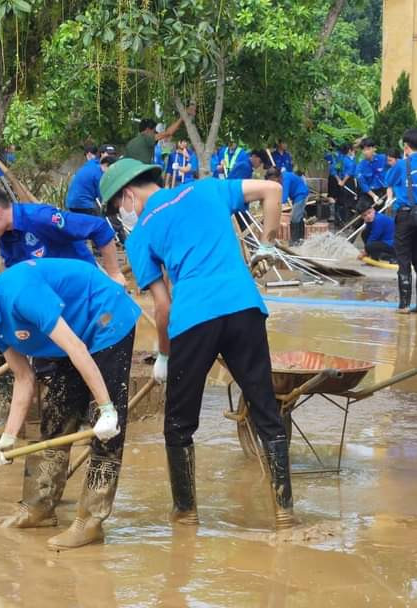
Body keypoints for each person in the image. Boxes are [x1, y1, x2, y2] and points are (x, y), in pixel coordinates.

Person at [98, 157, 297, 530]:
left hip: (193, 320)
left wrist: (163, 355)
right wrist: (267, 244)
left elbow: (162, 307)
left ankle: (186, 514)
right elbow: (273, 191)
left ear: (128, 195)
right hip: (244, 308)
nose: (123, 215)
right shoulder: (207, 188)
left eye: (118, 208)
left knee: (178, 424)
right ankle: (284, 510)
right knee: (266, 412)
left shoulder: (141, 234)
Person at [0, 258, 140, 549]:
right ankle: (38, 507)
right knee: (57, 417)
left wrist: (108, 410)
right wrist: (7, 438)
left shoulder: (20, 295)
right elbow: (24, 378)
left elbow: (76, 347)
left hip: (105, 319)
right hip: (73, 335)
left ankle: (91, 522)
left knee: (106, 431)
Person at [0, 180, 126, 284]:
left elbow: (99, 227)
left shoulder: (41, 218)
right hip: (55, 299)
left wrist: (114, 273)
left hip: (85, 287)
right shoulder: (4, 235)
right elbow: (17, 272)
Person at [385, 128, 417, 313]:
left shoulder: (400, 165)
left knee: (403, 258)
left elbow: (388, 180)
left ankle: (404, 304)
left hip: (405, 215)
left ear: (406, 147)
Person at [122, 107, 193, 163]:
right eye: (154, 131)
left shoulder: (131, 143)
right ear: (147, 130)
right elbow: (168, 133)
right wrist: (181, 118)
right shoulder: (147, 140)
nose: (156, 133)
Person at [265, 167, 309, 245]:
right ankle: (300, 239)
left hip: (301, 194)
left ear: (276, 177)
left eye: (272, 180)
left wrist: (273, 204)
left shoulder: (286, 180)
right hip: (298, 194)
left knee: (294, 218)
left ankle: (295, 240)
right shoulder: (283, 177)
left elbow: (284, 198)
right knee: (298, 217)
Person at [65, 145, 104, 215]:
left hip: (70, 203)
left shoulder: (83, 168)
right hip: (85, 205)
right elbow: (101, 191)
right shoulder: (98, 167)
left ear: (88, 154)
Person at [355, 138, 388, 208]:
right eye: (364, 150)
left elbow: (396, 166)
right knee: (362, 209)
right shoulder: (360, 166)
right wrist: (374, 196)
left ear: (374, 148)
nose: (366, 152)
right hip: (369, 193)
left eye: (368, 149)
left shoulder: (383, 158)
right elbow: (363, 184)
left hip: (384, 191)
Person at [333, 142, 358, 227]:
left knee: (340, 201)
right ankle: (346, 221)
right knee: (349, 202)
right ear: (350, 150)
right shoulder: (349, 161)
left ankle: (339, 221)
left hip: (339, 182)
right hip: (348, 182)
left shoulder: (338, 159)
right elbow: (350, 172)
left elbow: (333, 170)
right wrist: (343, 181)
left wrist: (339, 180)